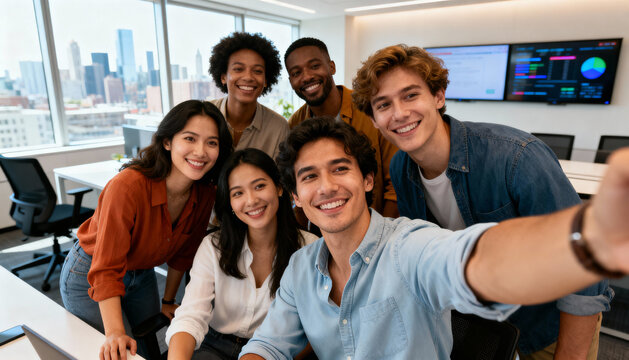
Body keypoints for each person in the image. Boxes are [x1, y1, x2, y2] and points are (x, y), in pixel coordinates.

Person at [238, 117, 629, 360]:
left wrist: (582, 239)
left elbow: (474, 260)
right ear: (295, 197)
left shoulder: (410, 246)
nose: (326, 187)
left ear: (368, 180)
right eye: (309, 177)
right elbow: (269, 345)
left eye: (340, 169)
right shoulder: (302, 267)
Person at [351, 44, 612, 359]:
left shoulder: (516, 157)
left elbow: (584, 264)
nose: (400, 113)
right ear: (375, 120)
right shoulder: (401, 170)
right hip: (481, 330)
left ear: (438, 96)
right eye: (383, 104)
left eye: (410, 95)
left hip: (547, 327)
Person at [59, 100, 233, 360]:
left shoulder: (205, 191)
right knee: (121, 352)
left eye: (212, 142)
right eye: (190, 138)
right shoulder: (128, 186)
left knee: (148, 348)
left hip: (141, 272)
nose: (200, 151)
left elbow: (183, 255)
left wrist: (168, 300)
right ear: (167, 142)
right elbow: (106, 268)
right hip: (91, 271)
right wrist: (115, 332)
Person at [165, 148, 317, 360]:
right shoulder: (213, 246)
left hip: (278, 351)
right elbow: (190, 315)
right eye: (238, 193)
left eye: (259, 186)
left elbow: (316, 330)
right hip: (214, 345)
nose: (251, 200)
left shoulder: (309, 249)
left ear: (279, 188)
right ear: (230, 203)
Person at [284, 37, 399, 218]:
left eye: (314, 66)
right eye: (296, 73)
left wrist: (381, 237)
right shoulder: (294, 125)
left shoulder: (369, 108)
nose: (306, 77)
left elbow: (395, 185)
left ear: (332, 67)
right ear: (290, 81)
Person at [208, 32, 289, 160]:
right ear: (223, 76)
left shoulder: (278, 127)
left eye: (257, 71)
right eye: (238, 69)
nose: (248, 77)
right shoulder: (204, 115)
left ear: (266, 80)